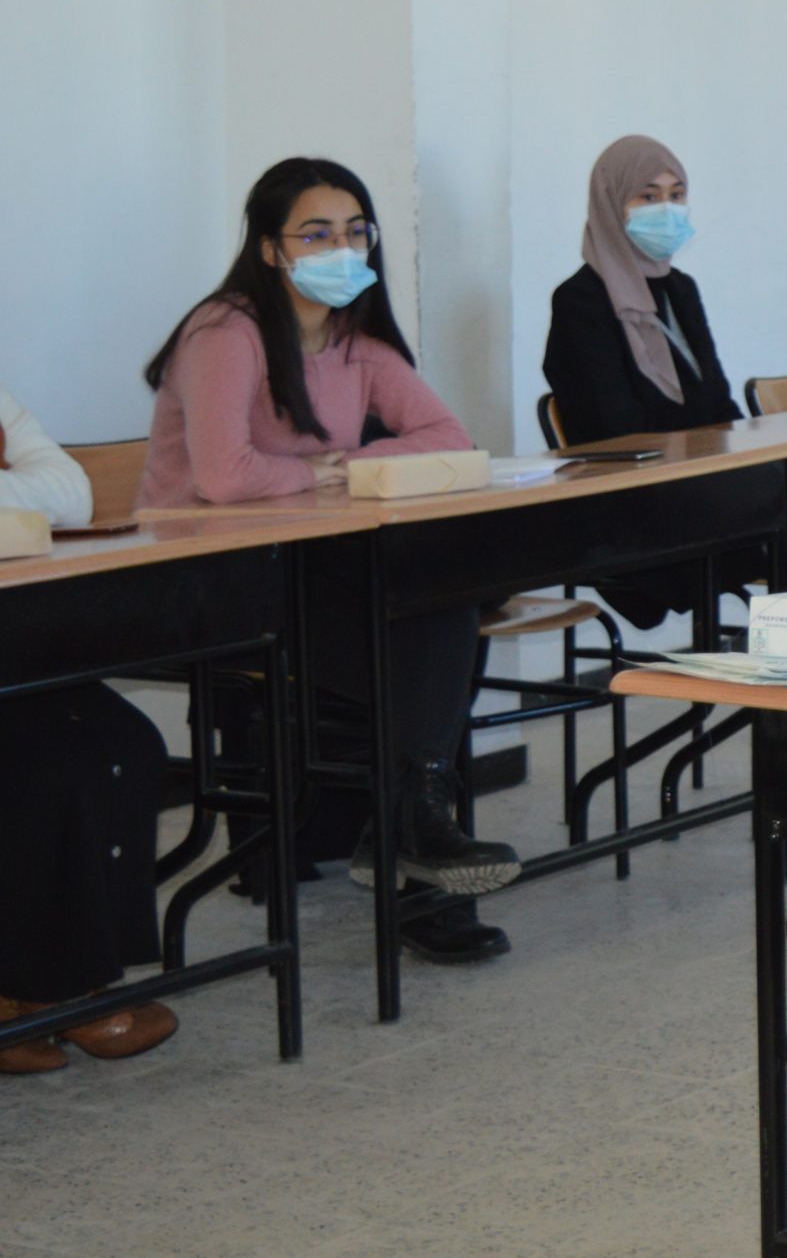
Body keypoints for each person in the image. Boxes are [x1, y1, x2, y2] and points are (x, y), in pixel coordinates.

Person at [140, 157, 519, 964]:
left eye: (354, 232)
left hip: (309, 565)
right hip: (211, 582)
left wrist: (334, 467)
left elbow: (447, 437)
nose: (340, 249)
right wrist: (324, 471)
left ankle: (412, 837)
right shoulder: (225, 333)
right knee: (426, 631)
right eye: (315, 234)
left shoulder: (354, 341)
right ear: (270, 248)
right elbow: (224, 478)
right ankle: (416, 849)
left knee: (440, 607)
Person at [0, 385, 178, 1073]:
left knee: (124, 743)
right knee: (45, 761)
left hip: (15, 630)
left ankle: (69, 979)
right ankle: (44, 987)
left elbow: (71, 495)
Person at [542, 134, 759, 627]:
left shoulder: (680, 290)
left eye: (676, 195)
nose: (667, 210)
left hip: (696, 487)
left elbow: (719, 405)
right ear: (610, 203)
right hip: (631, 503)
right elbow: (614, 426)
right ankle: (782, 666)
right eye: (647, 196)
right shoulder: (580, 301)